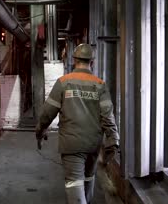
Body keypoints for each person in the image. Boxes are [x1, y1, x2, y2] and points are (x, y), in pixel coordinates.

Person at [35, 43, 120, 204]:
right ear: (92, 62)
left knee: (75, 187)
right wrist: (113, 140)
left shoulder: (63, 82)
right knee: (88, 181)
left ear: (74, 60)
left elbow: (47, 113)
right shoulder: (100, 85)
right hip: (93, 145)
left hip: (72, 145)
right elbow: (108, 116)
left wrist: (40, 131)